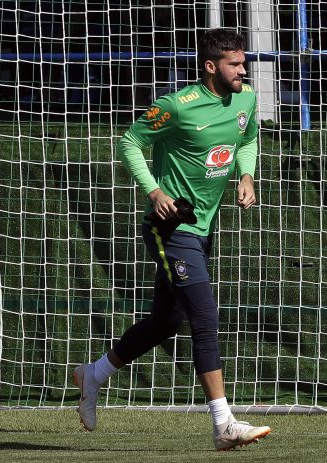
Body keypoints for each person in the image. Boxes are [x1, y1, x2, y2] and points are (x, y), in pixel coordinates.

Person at [72, 28, 271, 451]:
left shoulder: (247, 99)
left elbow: (249, 138)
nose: (243, 70)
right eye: (235, 64)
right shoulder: (177, 107)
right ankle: (224, 425)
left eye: (244, 62)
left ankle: (93, 374)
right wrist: (154, 191)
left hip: (204, 228)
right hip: (172, 228)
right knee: (204, 318)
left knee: (167, 321)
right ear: (210, 66)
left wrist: (247, 174)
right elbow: (130, 142)